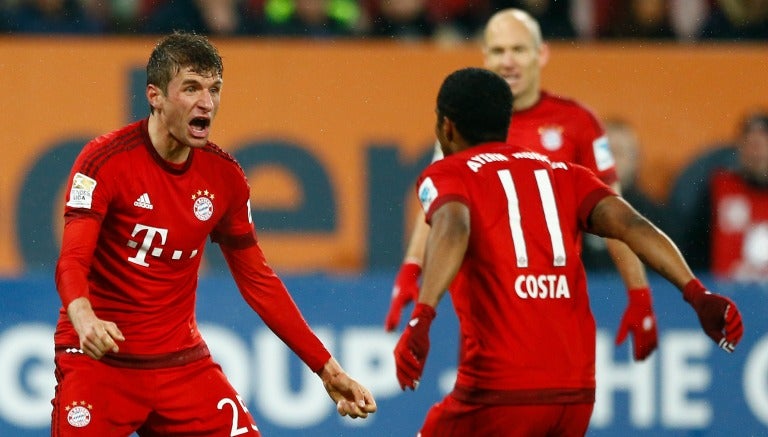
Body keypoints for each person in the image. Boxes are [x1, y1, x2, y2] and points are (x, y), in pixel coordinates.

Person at [51, 32, 376, 436]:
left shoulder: (226, 178)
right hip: (97, 360)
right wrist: (84, 317)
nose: (206, 103)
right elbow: (72, 260)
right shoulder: (104, 161)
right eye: (191, 88)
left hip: (180, 366)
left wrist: (327, 369)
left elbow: (259, 281)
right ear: (155, 96)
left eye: (214, 89)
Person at [394, 66, 743, 436]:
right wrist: (697, 293)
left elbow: (453, 226)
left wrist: (423, 315)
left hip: (499, 392)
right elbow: (633, 226)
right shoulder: (566, 173)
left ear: (447, 128)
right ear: (507, 123)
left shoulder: (448, 173)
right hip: (575, 394)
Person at [385, 8, 659, 362]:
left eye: (518, 49)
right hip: (486, 306)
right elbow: (439, 208)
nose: (508, 61)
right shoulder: (467, 122)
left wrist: (639, 294)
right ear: (484, 56)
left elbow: (617, 218)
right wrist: (411, 268)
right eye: (498, 51)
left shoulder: (577, 123)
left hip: (552, 302)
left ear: (541, 53)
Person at [582, 117, 668, 270]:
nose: (610, 161)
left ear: (636, 160)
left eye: (619, 152)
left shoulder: (654, 216)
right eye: (605, 152)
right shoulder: (569, 208)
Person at [708, 112, 768, 280]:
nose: (757, 152)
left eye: (763, 143)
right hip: (727, 296)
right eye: (750, 143)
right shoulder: (719, 188)